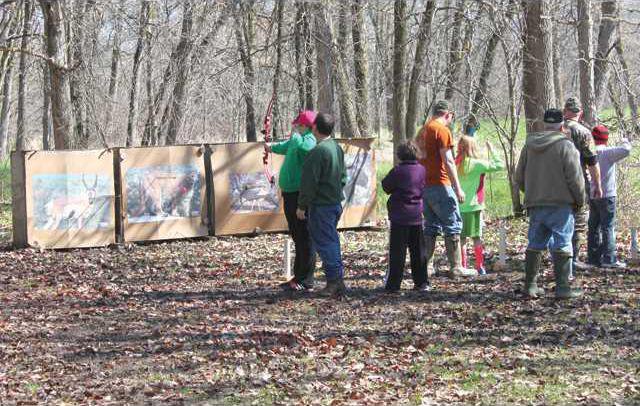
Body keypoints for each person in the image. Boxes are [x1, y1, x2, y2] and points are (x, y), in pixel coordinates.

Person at [515, 108, 585, 299]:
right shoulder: (566, 146)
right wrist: (580, 200)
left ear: (544, 124)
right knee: (562, 242)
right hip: (561, 204)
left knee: (535, 243)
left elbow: (519, 177)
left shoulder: (529, 146)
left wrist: (532, 192)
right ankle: (562, 288)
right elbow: (575, 179)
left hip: (535, 204)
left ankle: (530, 285)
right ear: (562, 125)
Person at [416, 100, 477, 277]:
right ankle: (456, 267)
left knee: (431, 225)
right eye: (451, 117)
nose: (451, 121)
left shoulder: (423, 130)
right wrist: (458, 188)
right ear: (447, 114)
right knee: (453, 224)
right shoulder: (442, 130)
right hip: (440, 184)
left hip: (424, 186)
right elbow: (448, 160)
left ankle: (426, 266)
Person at [265, 110, 317, 291]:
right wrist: (270, 147)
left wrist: (295, 137)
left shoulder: (309, 139)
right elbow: (285, 146)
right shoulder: (297, 139)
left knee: (305, 237)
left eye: (299, 125)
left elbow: (306, 148)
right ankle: (298, 277)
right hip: (290, 193)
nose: (296, 127)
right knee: (297, 235)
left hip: (299, 194)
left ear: (307, 126)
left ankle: (306, 280)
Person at [297, 113, 347, 297]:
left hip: (322, 206)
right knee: (331, 241)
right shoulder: (336, 147)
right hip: (334, 203)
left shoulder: (318, 152)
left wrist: (302, 206)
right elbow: (343, 177)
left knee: (326, 244)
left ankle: (335, 282)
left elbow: (309, 183)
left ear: (315, 128)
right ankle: (336, 280)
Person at [381, 141, 430, 292]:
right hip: (416, 216)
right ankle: (422, 283)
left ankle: (393, 285)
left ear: (400, 155)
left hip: (399, 217)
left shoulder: (397, 171)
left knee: (397, 252)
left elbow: (386, 186)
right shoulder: (422, 170)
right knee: (418, 252)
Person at [563, 97, 603, 274]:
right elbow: (592, 162)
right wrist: (597, 184)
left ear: (565, 111)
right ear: (580, 113)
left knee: (559, 220)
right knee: (578, 221)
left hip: (554, 183)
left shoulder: (553, 129)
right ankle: (573, 259)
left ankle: (561, 259)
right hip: (577, 182)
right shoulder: (583, 132)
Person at [456, 136, 505, 275]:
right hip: (475, 206)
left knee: (461, 238)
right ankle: (479, 266)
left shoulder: (455, 163)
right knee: (476, 237)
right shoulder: (477, 164)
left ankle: (463, 266)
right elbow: (499, 165)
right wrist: (491, 149)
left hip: (458, 206)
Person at [587, 124, 631, 268]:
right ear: (606, 138)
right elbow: (626, 150)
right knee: (608, 227)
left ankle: (593, 259)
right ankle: (609, 259)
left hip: (592, 194)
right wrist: (625, 138)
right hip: (607, 195)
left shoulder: (588, 152)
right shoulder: (608, 153)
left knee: (593, 227)